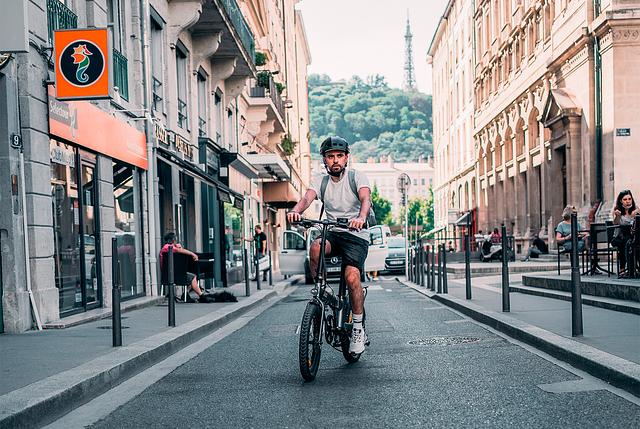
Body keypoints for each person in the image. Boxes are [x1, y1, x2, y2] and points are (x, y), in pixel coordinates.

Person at [287, 136, 372, 355]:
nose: (335, 161)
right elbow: (307, 198)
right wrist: (296, 211)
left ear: (346, 158)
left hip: (356, 235)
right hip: (333, 232)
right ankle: (322, 288)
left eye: (339, 156)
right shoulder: (321, 181)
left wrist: (361, 217)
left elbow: (365, 200)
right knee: (315, 247)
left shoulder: (356, 177)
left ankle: (358, 328)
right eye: (330, 156)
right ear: (324, 160)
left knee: (352, 277)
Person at [159, 232, 203, 302]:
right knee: (193, 277)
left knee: (190, 276)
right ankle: (201, 295)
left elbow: (179, 250)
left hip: (167, 274)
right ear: (173, 240)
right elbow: (180, 251)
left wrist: (179, 247)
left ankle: (187, 294)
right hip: (174, 275)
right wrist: (193, 254)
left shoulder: (166, 247)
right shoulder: (168, 247)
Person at [612, 190, 639, 276]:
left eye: (629, 199)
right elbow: (615, 223)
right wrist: (617, 216)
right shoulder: (617, 210)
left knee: (633, 242)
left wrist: (637, 215)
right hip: (618, 236)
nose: (628, 201)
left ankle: (633, 268)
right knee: (624, 242)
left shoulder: (636, 209)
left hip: (632, 236)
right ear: (621, 201)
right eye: (625, 199)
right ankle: (623, 268)